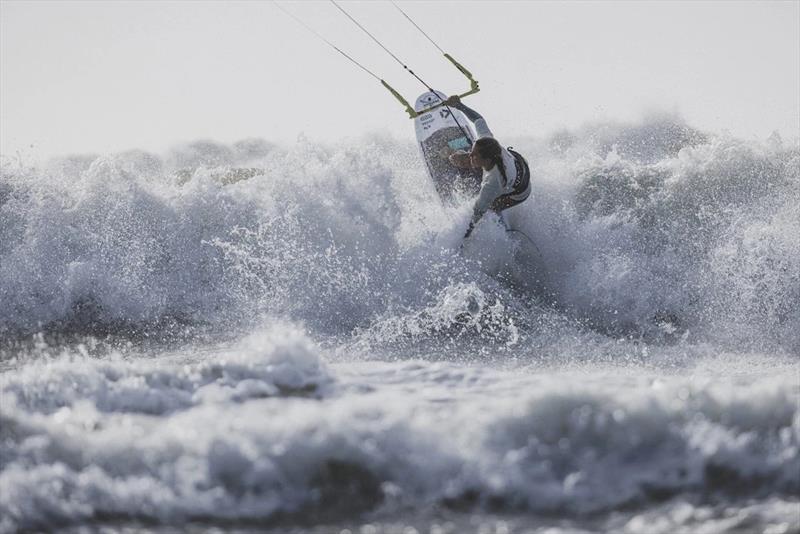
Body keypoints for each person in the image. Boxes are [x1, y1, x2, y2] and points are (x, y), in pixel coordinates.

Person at [443, 95, 531, 239]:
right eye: (472, 151)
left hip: (520, 191)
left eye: (474, 155)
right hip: (518, 163)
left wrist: (465, 236)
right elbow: (478, 119)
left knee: (490, 209)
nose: (470, 155)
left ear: (487, 160)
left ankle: (502, 231)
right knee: (466, 158)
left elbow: (477, 212)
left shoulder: (492, 183)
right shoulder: (487, 140)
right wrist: (459, 105)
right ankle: (459, 156)